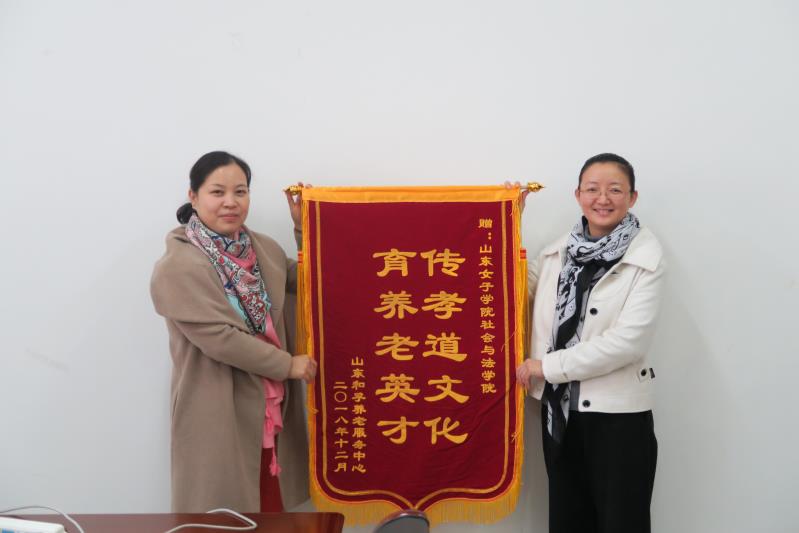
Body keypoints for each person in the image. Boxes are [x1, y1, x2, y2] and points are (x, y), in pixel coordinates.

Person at [150, 151, 317, 512]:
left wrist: (306, 227)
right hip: (218, 407)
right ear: (193, 196)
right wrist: (288, 365)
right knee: (223, 514)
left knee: (271, 508)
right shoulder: (178, 266)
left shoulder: (263, 249)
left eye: (240, 192)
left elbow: (311, 282)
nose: (230, 202)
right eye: (217, 192)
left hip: (270, 402)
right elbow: (221, 339)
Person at [516, 153, 664, 533]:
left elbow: (628, 342)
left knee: (622, 523)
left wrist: (547, 367)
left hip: (618, 421)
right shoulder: (558, 251)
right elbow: (511, 291)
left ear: (632, 197)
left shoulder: (645, 257)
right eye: (592, 189)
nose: (603, 199)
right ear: (578, 194)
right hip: (560, 415)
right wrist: (507, 219)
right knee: (569, 521)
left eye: (615, 190)